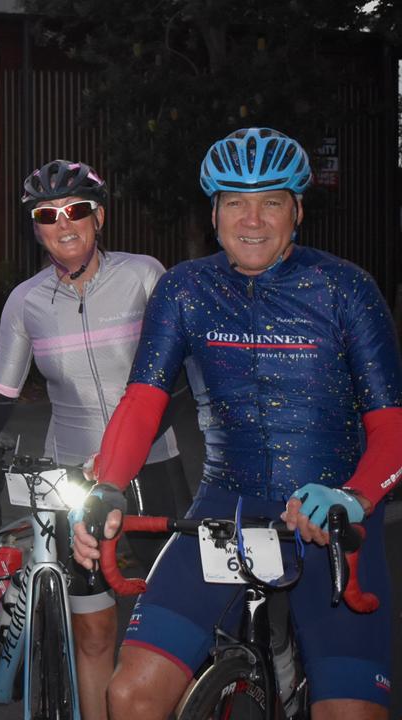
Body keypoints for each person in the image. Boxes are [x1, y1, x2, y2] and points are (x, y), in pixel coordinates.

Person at [72, 127, 401, 720]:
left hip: (329, 516)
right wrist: (109, 485)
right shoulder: (185, 289)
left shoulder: (345, 288)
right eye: (234, 202)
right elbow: (143, 401)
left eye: (271, 201)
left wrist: (354, 497)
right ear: (214, 212)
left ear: (297, 210)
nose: (252, 219)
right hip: (227, 509)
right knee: (131, 695)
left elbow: (392, 426)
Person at [0, 159, 190, 720]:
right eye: (47, 215)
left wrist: (123, 455)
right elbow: (0, 391)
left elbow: (177, 383)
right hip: (72, 479)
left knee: (176, 624)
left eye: (77, 209)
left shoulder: (144, 276)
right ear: (36, 228)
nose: (64, 223)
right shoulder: (26, 302)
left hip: (152, 465)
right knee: (93, 630)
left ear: (99, 216)